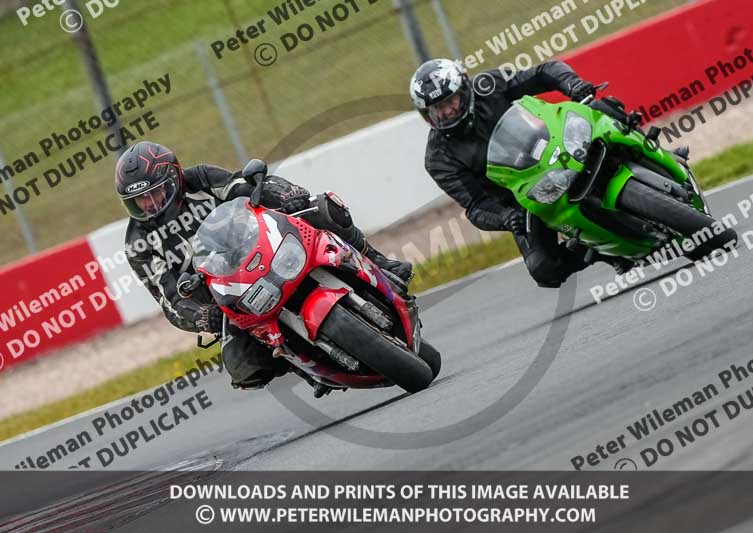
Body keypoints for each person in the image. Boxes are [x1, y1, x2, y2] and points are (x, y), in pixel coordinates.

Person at [116, 141, 412, 390]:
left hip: (259, 245)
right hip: (222, 293)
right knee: (244, 367)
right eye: (139, 200)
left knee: (323, 208)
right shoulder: (138, 244)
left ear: (175, 177)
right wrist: (202, 316)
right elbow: (169, 300)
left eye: (154, 193)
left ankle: (378, 262)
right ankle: (300, 362)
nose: (149, 204)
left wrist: (288, 196)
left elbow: (248, 186)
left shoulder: (201, 178)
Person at [410, 59, 627, 288]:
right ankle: (605, 251)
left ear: (464, 89)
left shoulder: (488, 85)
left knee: (603, 110)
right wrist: (505, 218)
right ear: (427, 114)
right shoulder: (438, 159)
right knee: (544, 268)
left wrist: (573, 85)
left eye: (450, 101)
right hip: (524, 197)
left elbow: (543, 72)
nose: (447, 111)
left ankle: (643, 144)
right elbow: (476, 206)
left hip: (554, 148)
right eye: (437, 108)